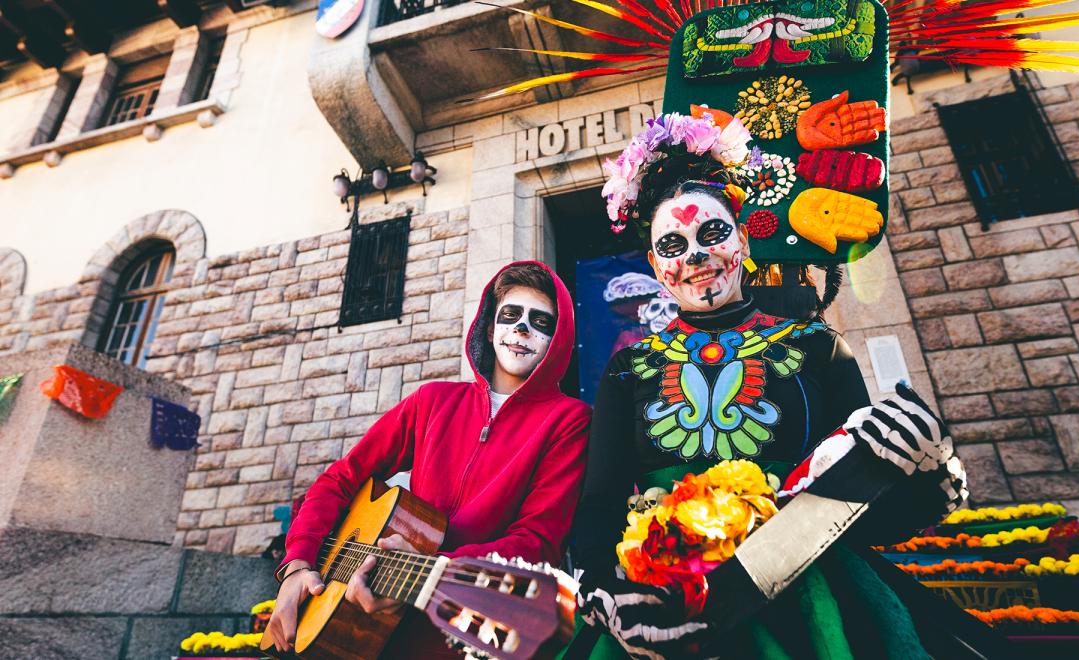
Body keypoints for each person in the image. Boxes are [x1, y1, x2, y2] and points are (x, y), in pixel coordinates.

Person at [569, 112, 969, 658]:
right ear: (655, 266)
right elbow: (600, 503)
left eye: (712, 234)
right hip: (664, 607)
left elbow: (866, 513)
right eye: (673, 245)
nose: (695, 256)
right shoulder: (624, 369)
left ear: (744, 239)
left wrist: (928, 478)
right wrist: (600, 592)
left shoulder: (820, 348)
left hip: (812, 599)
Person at [265, 261, 591, 655]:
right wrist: (298, 564)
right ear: (489, 329)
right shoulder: (432, 401)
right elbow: (341, 478)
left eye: (540, 322)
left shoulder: (570, 420)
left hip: (471, 634)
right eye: (511, 315)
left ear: (557, 341)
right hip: (380, 634)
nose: (522, 329)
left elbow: (538, 542)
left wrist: (433, 569)